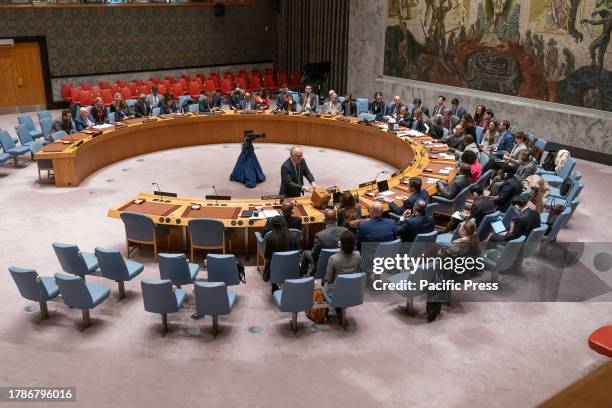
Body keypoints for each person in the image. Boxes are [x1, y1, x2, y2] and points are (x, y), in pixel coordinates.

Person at [426, 219, 480, 322]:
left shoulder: (458, 245)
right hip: (465, 273)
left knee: (430, 252)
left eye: (460, 226)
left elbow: (442, 257)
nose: (459, 228)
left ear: (463, 231)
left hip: (451, 274)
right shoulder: (475, 241)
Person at [300, 209, 347, 276]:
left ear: (324, 220)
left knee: (305, 253)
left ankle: (305, 277)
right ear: (336, 219)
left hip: (324, 263)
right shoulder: (345, 231)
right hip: (341, 260)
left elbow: (314, 254)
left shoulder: (319, 235)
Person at [263, 217, 300, 293]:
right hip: (291, 266)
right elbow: (298, 252)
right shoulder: (295, 235)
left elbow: (266, 256)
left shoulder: (269, 237)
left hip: (275, 268)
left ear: (272, 226)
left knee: (270, 261)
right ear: (285, 224)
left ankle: (274, 285)